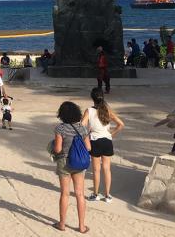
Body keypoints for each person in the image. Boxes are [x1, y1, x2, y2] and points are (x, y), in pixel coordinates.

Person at [52, 101, 90, 234]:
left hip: (64, 162)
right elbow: (89, 148)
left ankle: (62, 224)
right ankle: (81, 226)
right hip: (79, 163)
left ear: (62, 115)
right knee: (80, 194)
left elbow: (57, 149)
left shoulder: (60, 129)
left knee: (65, 194)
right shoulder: (82, 128)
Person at [81, 88, 125, 202]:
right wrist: (112, 133)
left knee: (96, 170)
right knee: (107, 169)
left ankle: (95, 194)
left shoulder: (89, 110)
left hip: (95, 141)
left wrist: (88, 132)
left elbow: (82, 126)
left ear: (92, 98)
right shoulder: (107, 110)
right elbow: (121, 124)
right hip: (107, 141)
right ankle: (107, 195)